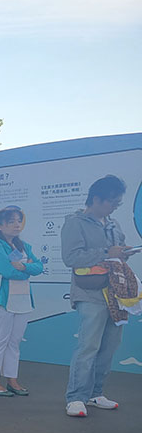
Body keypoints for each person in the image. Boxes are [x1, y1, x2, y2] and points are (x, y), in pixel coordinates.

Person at [61, 174, 136, 417]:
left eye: (118, 203)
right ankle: (76, 397)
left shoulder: (114, 224)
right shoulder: (75, 223)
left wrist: (123, 252)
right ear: (96, 199)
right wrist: (106, 252)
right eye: (112, 202)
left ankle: (95, 393)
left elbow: (116, 251)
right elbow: (71, 257)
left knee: (110, 346)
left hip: (116, 293)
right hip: (90, 292)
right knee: (89, 346)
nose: (114, 207)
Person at [0, 206, 43, 397]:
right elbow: (6, 271)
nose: (17, 225)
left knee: (14, 343)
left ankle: (12, 380)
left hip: (22, 301)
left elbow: (39, 267)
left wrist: (23, 267)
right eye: (11, 221)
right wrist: (26, 269)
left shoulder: (23, 246)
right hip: (1, 300)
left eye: (18, 221)